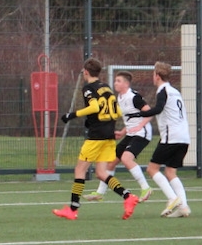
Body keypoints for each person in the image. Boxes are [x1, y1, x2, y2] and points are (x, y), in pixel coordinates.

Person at [55, 58, 140, 221]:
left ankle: (72, 209)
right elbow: (117, 111)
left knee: (80, 170)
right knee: (101, 173)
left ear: (86, 72)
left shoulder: (88, 88)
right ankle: (128, 196)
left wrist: (71, 115)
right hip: (108, 135)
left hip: (96, 137)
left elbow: (94, 107)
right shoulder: (106, 87)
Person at [128, 61, 192, 218]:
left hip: (172, 137)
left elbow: (158, 109)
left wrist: (139, 114)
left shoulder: (163, 91)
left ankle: (172, 198)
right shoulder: (175, 91)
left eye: (153, 73)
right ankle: (183, 208)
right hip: (184, 137)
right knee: (170, 172)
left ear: (157, 76)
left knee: (152, 169)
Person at [83, 70, 153, 203]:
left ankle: (146, 188)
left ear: (126, 84)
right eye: (115, 80)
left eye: (118, 81)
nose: (115, 83)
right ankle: (100, 193)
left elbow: (149, 112)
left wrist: (140, 126)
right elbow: (132, 119)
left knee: (126, 158)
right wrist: (122, 132)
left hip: (142, 134)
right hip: (131, 133)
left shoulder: (133, 97)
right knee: (111, 162)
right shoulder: (119, 98)